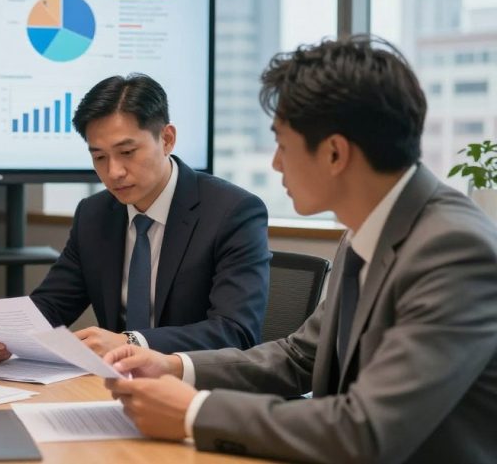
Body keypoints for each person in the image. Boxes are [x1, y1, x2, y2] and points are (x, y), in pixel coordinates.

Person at [104, 36, 497, 463]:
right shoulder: (367, 229)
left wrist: (195, 412)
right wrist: (176, 366)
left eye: (283, 144)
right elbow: (299, 357)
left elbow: (367, 431)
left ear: (334, 153)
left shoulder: (454, 250)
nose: (276, 163)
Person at [0, 73, 271, 362]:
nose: (113, 172)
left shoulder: (232, 212)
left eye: (127, 152)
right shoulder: (94, 214)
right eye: (99, 157)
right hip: (114, 386)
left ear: (167, 139)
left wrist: (131, 343)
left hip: (193, 386)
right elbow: (52, 305)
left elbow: (235, 332)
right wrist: (3, 335)